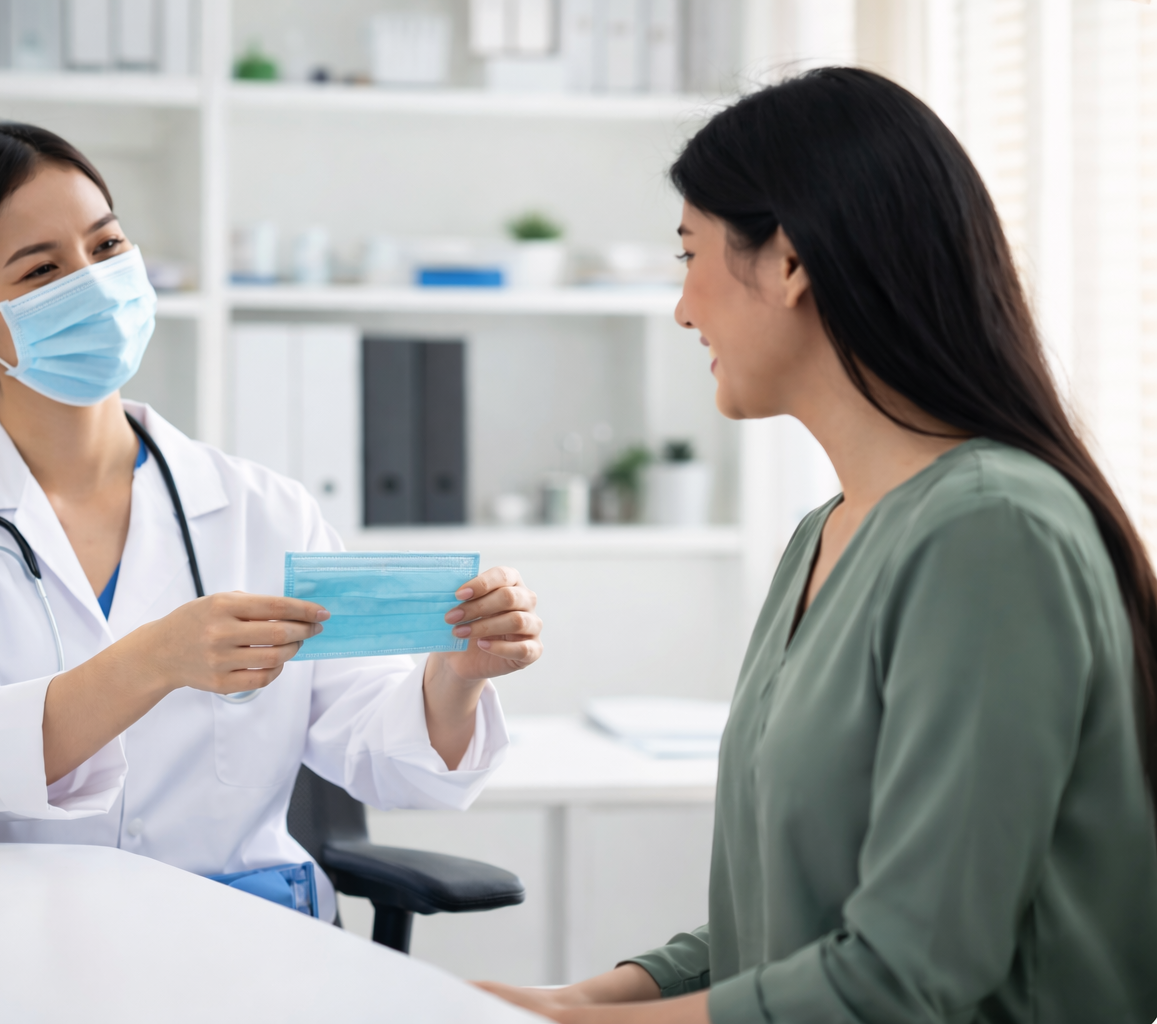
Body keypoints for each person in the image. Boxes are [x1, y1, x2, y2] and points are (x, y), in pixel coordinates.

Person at [479, 68, 1157, 1023]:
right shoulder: (824, 534)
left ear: (789, 261)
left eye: (690, 255)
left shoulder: (991, 534)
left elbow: (907, 971)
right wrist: (577, 997)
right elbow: (790, 917)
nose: (682, 309)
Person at [0, 121, 544, 924]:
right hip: (3, 938)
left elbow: (384, 755)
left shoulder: (266, 510)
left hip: (240, 934)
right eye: (43, 270)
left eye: (106, 247)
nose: (95, 285)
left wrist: (456, 677)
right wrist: (155, 659)